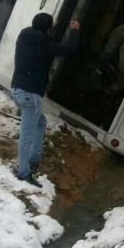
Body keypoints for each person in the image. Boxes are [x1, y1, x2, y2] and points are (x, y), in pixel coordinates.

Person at [11, 13, 80, 187]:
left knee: (40, 123)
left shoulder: (25, 36)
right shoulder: (43, 44)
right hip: (30, 95)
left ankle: (34, 160)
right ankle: (24, 172)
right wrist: (74, 31)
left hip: (18, 91)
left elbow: (44, 36)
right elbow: (70, 49)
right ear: (47, 28)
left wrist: (50, 27)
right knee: (26, 135)